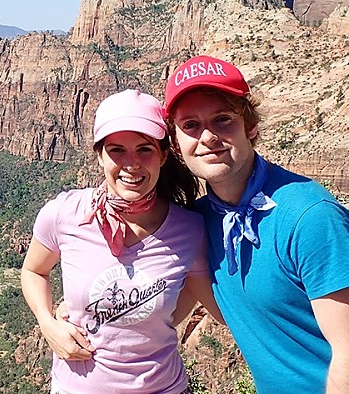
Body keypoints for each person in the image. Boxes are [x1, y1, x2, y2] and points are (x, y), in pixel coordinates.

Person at [162, 55, 349, 393]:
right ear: (176, 144)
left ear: (251, 127)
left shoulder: (310, 217)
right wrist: (64, 327)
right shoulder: (199, 223)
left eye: (223, 120)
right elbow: (154, 318)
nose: (207, 137)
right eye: (190, 125)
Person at [21, 89, 222, 394]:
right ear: (99, 155)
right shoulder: (65, 213)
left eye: (144, 149)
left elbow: (212, 304)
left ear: (163, 155)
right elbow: (34, 271)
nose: (131, 164)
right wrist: (47, 322)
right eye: (116, 150)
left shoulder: (190, 229)